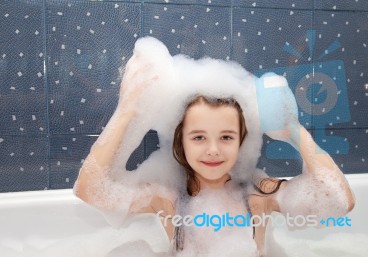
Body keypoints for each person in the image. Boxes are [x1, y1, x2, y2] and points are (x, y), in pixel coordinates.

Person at [74, 50, 355, 257]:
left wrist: (293, 131)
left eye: (226, 137)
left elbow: (340, 200)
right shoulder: (168, 196)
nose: (213, 150)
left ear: (240, 141)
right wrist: (127, 113)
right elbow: (90, 189)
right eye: (198, 137)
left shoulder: (259, 195)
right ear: (180, 141)